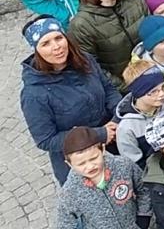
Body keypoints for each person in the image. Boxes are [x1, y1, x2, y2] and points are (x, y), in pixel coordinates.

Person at [54, 126, 163, 229]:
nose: (89, 166)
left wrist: (143, 218)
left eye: (93, 158)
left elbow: (143, 188)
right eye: (81, 163)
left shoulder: (124, 166)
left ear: (103, 149)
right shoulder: (70, 192)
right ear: (69, 164)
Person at [20, 16, 120, 182]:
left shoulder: (85, 60)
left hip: (114, 138)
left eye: (59, 38)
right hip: (81, 161)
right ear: (36, 50)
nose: (56, 47)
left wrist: (117, 119)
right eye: (46, 43)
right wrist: (99, 134)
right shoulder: (34, 95)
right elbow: (46, 139)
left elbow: (108, 89)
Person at [68, 0, 145, 87]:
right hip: (122, 88)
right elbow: (90, 67)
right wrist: (125, 87)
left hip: (151, 74)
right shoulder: (81, 24)